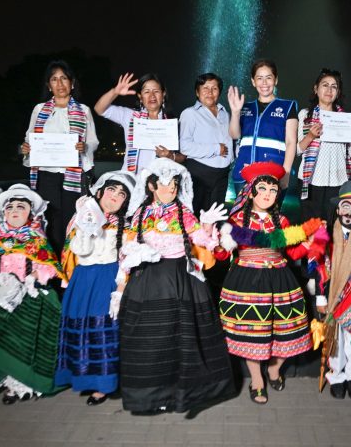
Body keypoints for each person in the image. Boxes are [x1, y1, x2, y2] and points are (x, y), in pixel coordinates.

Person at [117, 158, 233, 414]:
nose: (170, 190)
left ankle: (184, 394)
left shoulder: (184, 213)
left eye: (174, 186)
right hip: (147, 281)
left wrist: (208, 225)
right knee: (151, 340)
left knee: (183, 337)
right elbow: (127, 247)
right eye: (165, 185)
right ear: (151, 186)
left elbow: (202, 240)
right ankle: (152, 396)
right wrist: (125, 276)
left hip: (180, 278)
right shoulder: (140, 214)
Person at [218, 161, 326, 405]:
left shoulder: (283, 221)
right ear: (251, 191)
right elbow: (222, 254)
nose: (267, 195)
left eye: (273, 190)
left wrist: (311, 243)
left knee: (286, 330)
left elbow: (292, 253)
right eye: (263, 189)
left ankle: (275, 369)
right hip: (247, 280)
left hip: (280, 279)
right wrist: (214, 240)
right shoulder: (236, 221)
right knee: (252, 333)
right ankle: (257, 380)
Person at [0, 184, 64, 404]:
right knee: (0, 337)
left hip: (29, 294)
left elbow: (50, 266)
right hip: (1, 294)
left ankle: (21, 383)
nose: (15, 211)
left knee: (22, 339)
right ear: (4, 212)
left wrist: (34, 277)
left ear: (30, 212)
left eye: (21, 206)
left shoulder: (36, 238)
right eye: (10, 207)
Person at [56, 171, 136, 406]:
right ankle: (80, 377)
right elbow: (77, 250)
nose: (115, 196)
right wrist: (86, 223)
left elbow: (127, 260)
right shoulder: (81, 217)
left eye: (122, 194)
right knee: (79, 325)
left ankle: (103, 385)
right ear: (99, 192)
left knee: (102, 329)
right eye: (111, 190)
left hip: (107, 279)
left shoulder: (126, 225)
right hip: (83, 278)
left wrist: (120, 289)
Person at [22, 60, 99, 255]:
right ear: (48, 85)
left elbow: (93, 141)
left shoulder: (83, 110)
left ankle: (70, 269)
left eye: (64, 78)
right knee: (50, 224)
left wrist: (85, 147)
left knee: (71, 222)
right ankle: (51, 273)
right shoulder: (39, 110)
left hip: (72, 176)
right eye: (54, 79)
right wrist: (26, 148)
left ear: (72, 83)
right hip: (47, 176)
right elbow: (30, 137)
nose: (59, 84)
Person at [311, 180, 351, 400]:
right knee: (334, 340)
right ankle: (336, 376)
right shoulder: (325, 235)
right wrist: (320, 296)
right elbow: (317, 265)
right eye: (346, 205)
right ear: (338, 208)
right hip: (332, 297)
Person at [297, 68, 351, 221]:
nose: (329, 90)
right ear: (316, 89)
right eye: (325, 85)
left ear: (338, 92)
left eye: (334, 86)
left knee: (332, 226)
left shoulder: (345, 119)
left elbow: (346, 153)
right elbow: (297, 150)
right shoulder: (305, 115)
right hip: (311, 180)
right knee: (310, 227)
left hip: (338, 180)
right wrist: (310, 136)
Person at [228, 59, 298, 194]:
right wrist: (235, 112)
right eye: (259, 78)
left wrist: (286, 173)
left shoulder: (288, 107)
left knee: (270, 215)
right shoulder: (244, 107)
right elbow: (234, 135)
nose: (264, 83)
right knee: (242, 215)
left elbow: (291, 142)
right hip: (244, 173)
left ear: (276, 80)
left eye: (268, 78)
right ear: (253, 81)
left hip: (272, 175)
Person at [94, 72, 185, 175]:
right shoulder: (130, 116)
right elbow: (99, 109)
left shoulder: (172, 123)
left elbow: (183, 156)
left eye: (156, 91)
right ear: (140, 97)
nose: (152, 96)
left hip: (160, 184)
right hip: (132, 180)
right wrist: (115, 91)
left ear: (163, 94)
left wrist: (170, 155)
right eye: (146, 92)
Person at [179, 73, 233, 213]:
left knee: (215, 218)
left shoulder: (225, 114)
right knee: (195, 217)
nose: (210, 92)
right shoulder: (190, 113)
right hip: (199, 174)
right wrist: (215, 149)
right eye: (205, 88)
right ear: (197, 92)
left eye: (214, 88)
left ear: (219, 92)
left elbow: (232, 139)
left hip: (222, 176)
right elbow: (184, 147)